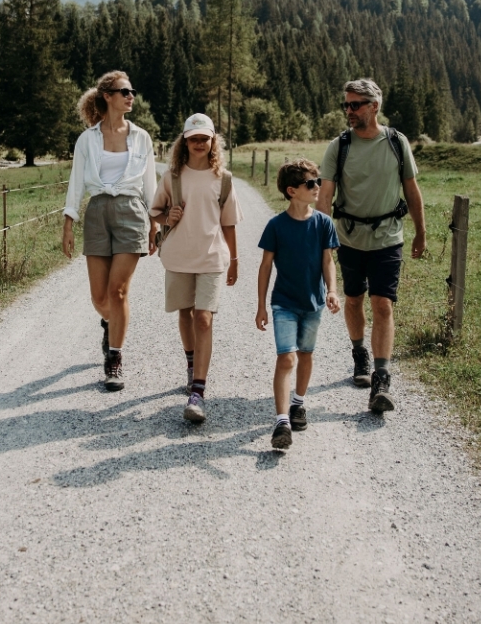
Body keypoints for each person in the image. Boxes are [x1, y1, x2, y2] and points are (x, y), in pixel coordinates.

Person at [317, 78, 426, 413]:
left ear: (374, 106)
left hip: (388, 237)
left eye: (355, 105)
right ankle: (359, 353)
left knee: (383, 304)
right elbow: (324, 196)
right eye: (346, 105)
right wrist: (322, 241)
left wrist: (421, 232)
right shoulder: (340, 145)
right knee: (353, 300)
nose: (349, 111)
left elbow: (411, 189)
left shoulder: (396, 142)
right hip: (349, 237)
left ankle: (381, 377)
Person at [62, 70, 158, 391]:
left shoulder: (141, 137)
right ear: (107, 96)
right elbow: (76, 182)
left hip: (131, 212)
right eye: (124, 91)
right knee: (100, 296)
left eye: (132, 91)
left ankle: (114, 359)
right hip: (97, 212)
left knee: (118, 292)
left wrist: (155, 223)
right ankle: (109, 323)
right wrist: (68, 223)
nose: (131, 96)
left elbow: (149, 185)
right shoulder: (87, 139)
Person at [150, 113, 243, 424]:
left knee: (203, 318)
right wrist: (168, 218)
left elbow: (229, 224)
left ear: (213, 141)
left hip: (212, 257)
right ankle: (191, 364)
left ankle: (198, 392)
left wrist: (234, 259)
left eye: (205, 138)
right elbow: (157, 213)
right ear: (185, 142)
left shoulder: (224, 179)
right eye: (194, 139)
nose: (199, 143)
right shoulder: (172, 177)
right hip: (178, 255)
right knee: (186, 313)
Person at [256, 159, 341, 450]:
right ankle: (282, 422)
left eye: (318, 181)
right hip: (284, 304)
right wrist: (261, 306)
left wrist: (332, 290)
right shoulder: (276, 226)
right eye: (310, 183)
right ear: (292, 191)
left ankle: (299, 403)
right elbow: (265, 266)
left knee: (306, 354)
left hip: (314, 302)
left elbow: (327, 260)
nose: (317, 187)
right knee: (286, 358)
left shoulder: (323, 223)